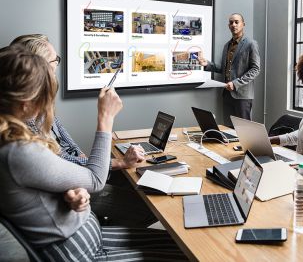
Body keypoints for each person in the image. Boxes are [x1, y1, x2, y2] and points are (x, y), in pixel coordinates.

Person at [0, 45, 188, 261]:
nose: (47, 105)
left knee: (181, 247)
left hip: (86, 239)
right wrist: (105, 118)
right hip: (78, 253)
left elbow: (39, 184)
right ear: (25, 104)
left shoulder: (13, 143)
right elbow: (95, 180)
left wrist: (66, 192)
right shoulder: (17, 151)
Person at [9, 34, 156, 228]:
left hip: (80, 178)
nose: (57, 67)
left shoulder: (43, 109)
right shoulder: (25, 124)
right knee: (149, 207)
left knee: (137, 183)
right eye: (55, 60)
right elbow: (80, 173)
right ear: (39, 67)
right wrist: (106, 118)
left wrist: (100, 163)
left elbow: (74, 153)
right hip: (76, 187)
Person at [198, 13, 260, 126]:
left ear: (243, 24)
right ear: (228, 26)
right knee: (228, 129)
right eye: (231, 22)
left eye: (237, 22)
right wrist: (207, 64)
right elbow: (224, 68)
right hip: (227, 94)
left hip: (242, 96)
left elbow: (255, 69)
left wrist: (236, 83)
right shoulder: (227, 46)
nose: (234, 25)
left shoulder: (251, 44)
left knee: (244, 130)